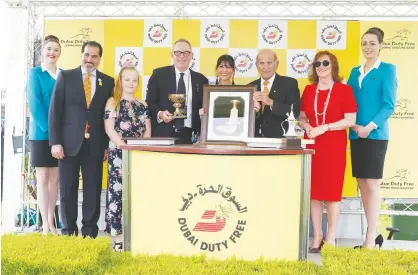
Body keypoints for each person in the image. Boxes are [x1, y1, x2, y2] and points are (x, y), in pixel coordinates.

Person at [49, 41, 115, 238]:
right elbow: (55, 111)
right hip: (67, 144)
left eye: (94, 56)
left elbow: (106, 116)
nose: (90, 60)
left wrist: (105, 146)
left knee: (93, 190)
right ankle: (68, 231)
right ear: (81, 55)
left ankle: (89, 232)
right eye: (87, 55)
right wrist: (55, 142)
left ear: (99, 59)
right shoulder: (66, 76)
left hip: (95, 145)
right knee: (68, 190)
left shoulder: (108, 81)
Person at [298, 51, 357, 253]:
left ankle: (331, 236)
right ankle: (318, 236)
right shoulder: (308, 90)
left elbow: (350, 120)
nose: (321, 66)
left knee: (332, 193)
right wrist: (306, 126)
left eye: (325, 62)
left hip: (333, 145)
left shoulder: (344, 90)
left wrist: (326, 127)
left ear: (333, 65)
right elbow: (302, 116)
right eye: (317, 63)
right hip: (312, 143)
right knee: (313, 193)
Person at [347, 27, 397, 249]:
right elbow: (347, 101)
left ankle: (369, 238)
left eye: (372, 43)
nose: (367, 47)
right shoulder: (354, 71)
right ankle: (374, 232)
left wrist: (369, 126)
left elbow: (389, 105)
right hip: (356, 134)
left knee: (373, 184)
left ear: (380, 45)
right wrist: (354, 125)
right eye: (364, 43)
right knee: (361, 183)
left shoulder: (387, 69)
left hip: (376, 135)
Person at [104, 66, 151, 251]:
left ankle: (137, 238)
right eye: (127, 79)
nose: (131, 83)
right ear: (120, 81)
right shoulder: (112, 102)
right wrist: (125, 148)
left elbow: (147, 130)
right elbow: (110, 129)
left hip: (139, 155)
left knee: (137, 195)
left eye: (134, 80)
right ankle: (119, 240)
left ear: (138, 83)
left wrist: (140, 148)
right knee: (118, 196)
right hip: (119, 155)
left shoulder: (143, 105)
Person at [27, 35, 62, 235]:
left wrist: (60, 133)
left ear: (60, 52)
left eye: (56, 49)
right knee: (42, 177)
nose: (52, 53)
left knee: (55, 179)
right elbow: (35, 105)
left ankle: (52, 221)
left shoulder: (63, 74)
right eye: (49, 49)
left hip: (59, 135)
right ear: (43, 51)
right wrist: (50, 131)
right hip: (41, 133)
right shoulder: (35, 74)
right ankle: (45, 226)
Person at [146, 38, 208, 144]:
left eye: (186, 53)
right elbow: (150, 102)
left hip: (191, 137)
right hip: (163, 135)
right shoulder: (159, 75)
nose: (182, 56)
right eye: (177, 52)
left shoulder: (201, 79)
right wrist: (160, 114)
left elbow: (203, 107)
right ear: (172, 55)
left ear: (192, 55)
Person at [250, 49, 301, 137]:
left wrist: (271, 103)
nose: (265, 67)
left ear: (276, 64)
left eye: (269, 62)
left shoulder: (289, 84)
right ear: (256, 65)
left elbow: (295, 113)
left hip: (281, 143)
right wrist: (255, 112)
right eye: (262, 63)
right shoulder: (251, 87)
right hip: (254, 142)